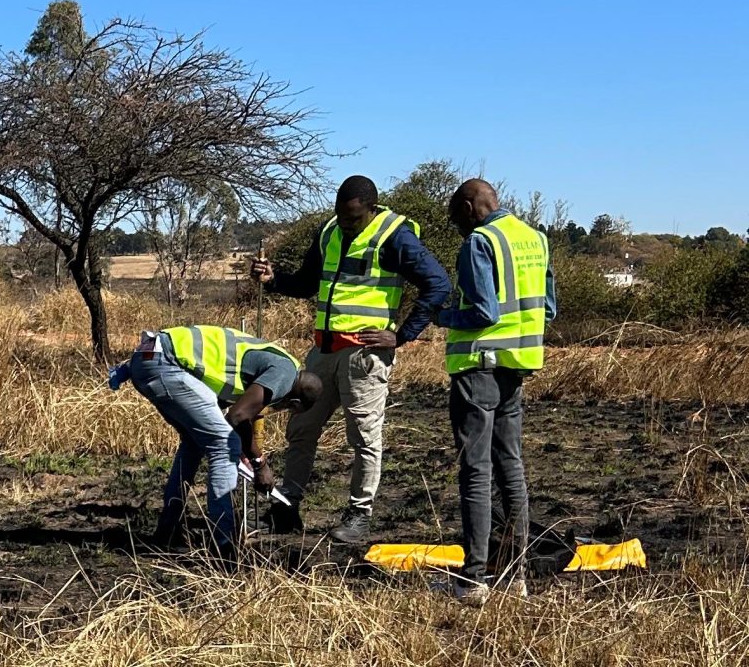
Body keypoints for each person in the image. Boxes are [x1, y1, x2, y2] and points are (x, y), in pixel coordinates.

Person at [251, 175, 452, 549]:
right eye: (342, 216)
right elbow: (309, 283)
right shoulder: (328, 231)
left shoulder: (395, 235)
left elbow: (438, 283)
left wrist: (403, 334)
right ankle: (287, 505)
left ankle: (359, 515)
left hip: (364, 356)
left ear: (370, 209)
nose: (346, 223)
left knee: (363, 437)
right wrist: (274, 279)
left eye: (354, 218)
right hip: (323, 350)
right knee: (300, 427)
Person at [108, 324, 321, 566]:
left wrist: (246, 452)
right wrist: (260, 464)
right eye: (288, 409)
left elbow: (233, 414)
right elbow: (238, 416)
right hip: (165, 363)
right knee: (223, 444)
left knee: (194, 442)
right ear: (294, 402)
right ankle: (224, 546)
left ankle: (167, 530)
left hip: (148, 359)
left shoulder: (277, 359)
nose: (280, 409)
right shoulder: (286, 374)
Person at [434, 179, 554, 604]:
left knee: (476, 470)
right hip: (516, 368)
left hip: (478, 368)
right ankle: (515, 576)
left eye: (456, 220)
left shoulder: (479, 243)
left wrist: (443, 315)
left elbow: (483, 311)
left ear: (469, 207)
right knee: (511, 467)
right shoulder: (535, 239)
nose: (458, 229)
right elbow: (549, 307)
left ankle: (473, 579)